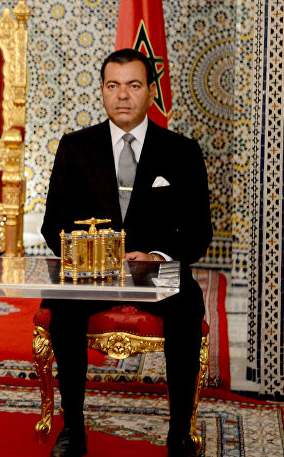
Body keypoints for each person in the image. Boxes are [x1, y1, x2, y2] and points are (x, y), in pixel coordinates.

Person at [40, 49, 212, 457]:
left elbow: (198, 232)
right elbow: (52, 225)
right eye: (113, 86)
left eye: (133, 85)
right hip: (93, 271)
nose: (122, 95)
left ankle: (179, 433)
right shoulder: (75, 147)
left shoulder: (182, 151)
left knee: (187, 306)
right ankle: (74, 429)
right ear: (102, 91)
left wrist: (156, 254)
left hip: (159, 270)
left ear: (151, 91)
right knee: (62, 306)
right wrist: (98, 257)